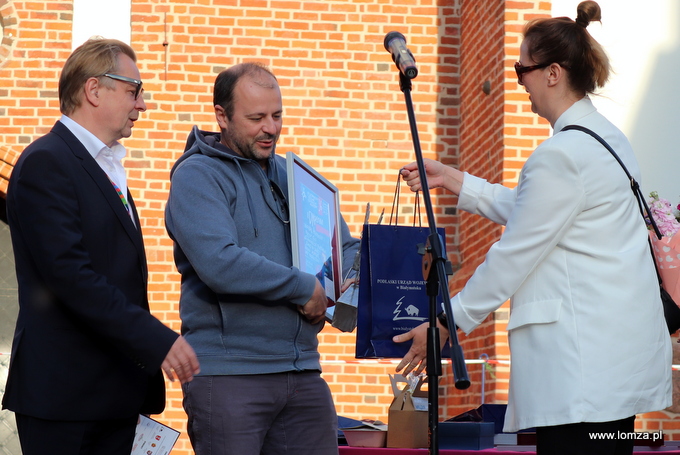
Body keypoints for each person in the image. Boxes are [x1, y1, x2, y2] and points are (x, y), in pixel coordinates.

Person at [393, 2, 671, 454]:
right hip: (611, 377)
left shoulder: (561, 155)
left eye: (522, 69)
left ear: (553, 73)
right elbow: (541, 216)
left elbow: (515, 254)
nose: (519, 80)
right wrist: (454, 179)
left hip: (580, 381)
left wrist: (448, 321)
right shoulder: (606, 139)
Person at [1, 37, 200, 455]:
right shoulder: (47, 162)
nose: (142, 103)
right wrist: (157, 339)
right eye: (134, 90)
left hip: (113, 395)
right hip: (65, 398)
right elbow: (71, 277)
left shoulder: (105, 164)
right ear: (94, 90)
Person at [165, 62, 360, 455]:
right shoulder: (197, 176)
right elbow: (221, 262)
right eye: (256, 118)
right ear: (222, 115)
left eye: (277, 115)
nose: (270, 127)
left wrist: (364, 275)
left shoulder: (297, 178)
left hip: (303, 371)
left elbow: (343, 249)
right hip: (230, 375)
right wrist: (305, 287)